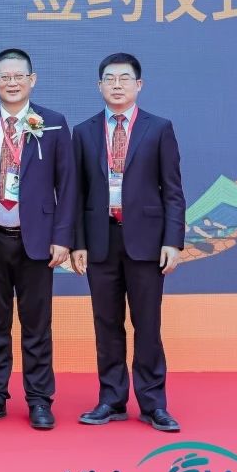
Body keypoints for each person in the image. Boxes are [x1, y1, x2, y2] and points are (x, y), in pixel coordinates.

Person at [71, 53, 185, 433]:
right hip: (100, 240)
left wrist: (173, 240)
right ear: (99, 86)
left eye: (124, 78)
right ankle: (111, 399)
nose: (116, 85)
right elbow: (76, 193)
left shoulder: (159, 128)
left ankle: (153, 404)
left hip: (147, 242)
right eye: (109, 78)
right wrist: (78, 243)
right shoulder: (83, 132)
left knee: (147, 324)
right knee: (106, 324)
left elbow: (173, 190)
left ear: (139, 85)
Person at [0, 48, 74, 431]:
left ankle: (40, 399)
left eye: (19, 76)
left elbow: (68, 186)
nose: (12, 83)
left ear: (32, 79)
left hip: (37, 242)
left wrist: (63, 237)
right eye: (4, 77)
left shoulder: (53, 123)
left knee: (36, 325)